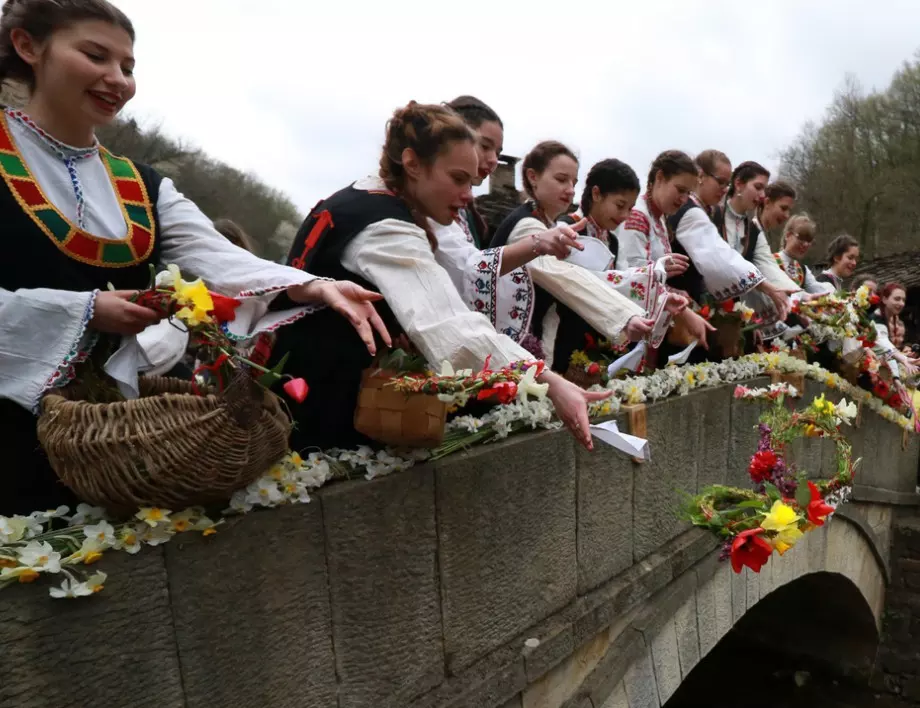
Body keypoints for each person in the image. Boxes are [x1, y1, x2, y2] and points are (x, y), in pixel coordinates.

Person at [0, 0, 390, 515]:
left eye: (128, 67)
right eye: (96, 56)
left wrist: (315, 285)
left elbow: (218, 256)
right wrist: (88, 311)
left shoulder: (141, 184)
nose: (117, 79)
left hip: (109, 439)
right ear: (28, 46)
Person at [275, 102, 612, 452]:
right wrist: (550, 383)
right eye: (458, 179)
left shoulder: (368, 199)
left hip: (313, 388)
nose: (468, 196)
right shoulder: (385, 226)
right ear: (413, 164)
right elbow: (446, 321)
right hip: (320, 405)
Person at [487, 141, 660, 368]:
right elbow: (566, 277)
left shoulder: (545, 224)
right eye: (561, 179)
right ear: (533, 177)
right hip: (508, 350)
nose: (570, 189)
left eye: (573, 182)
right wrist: (626, 316)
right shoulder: (527, 225)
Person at [431, 96, 578, 345]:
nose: (491, 159)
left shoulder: (468, 212)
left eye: (497, 152)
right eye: (485, 146)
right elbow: (467, 268)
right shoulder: (526, 223)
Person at [620, 150, 790, 324]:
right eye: (680, 190)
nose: (683, 199)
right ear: (660, 177)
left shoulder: (662, 217)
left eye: (687, 192)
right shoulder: (642, 215)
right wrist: (673, 291)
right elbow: (634, 274)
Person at [710, 163, 801, 297]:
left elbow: (769, 267)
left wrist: (803, 296)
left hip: (732, 307)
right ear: (739, 184)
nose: (763, 195)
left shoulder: (753, 231)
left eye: (764, 189)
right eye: (758, 187)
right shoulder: (711, 215)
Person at [774, 214, 834, 294]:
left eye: (809, 240)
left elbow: (819, 290)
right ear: (788, 235)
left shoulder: (803, 270)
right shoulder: (770, 261)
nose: (805, 244)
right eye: (801, 238)